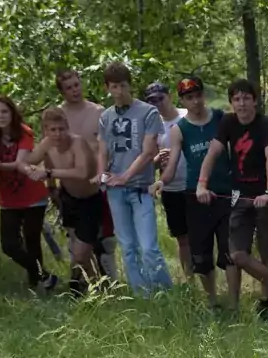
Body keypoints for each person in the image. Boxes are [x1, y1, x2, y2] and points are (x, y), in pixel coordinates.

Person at [206, 78, 268, 318]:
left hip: (264, 198)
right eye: (236, 99)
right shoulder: (227, 122)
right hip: (239, 196)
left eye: (246, 98)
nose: (242, 103)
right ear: (231, 103)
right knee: (237, 254)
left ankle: (265, 302)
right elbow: (213, 152)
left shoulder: (266, 125)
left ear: (255, 101)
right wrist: (201, 184)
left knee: (266, 251)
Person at [151, 76, 237, 308]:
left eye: (198, 95)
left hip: (225, 193)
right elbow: (173, 162)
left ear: (203, 95)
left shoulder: (221, 118)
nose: (196, 101)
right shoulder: (179, 130)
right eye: (190, 97)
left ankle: (233, 302)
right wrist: (161, 181)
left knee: (229, 250)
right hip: (195, 196)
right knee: (201, 251)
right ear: (183, 100)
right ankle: (212, 302)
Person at [96, 61, 173, 296]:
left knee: (149, 247)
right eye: (114, 86)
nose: (119, 91)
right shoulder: (106, 116)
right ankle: (143, 296)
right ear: (107, 88)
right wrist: (102, 176)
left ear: (129, 85)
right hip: (115, 192)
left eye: (123, 85)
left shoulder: (148, 112)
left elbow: (149, 152)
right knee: (128, 247)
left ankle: (165, 294)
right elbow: (102, 150)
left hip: (140, 188)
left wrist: (125, 176)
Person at [0, 96, 58, 291]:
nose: (0, 116)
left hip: (32, 194)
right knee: (9, 245)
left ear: (12, 112)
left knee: (32, 241)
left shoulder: (24, 132)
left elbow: (19, 163)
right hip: (9, 197)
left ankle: (38, 284)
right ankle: (44, 276)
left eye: (4, 111)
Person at [25, 108, 104, 285]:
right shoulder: (46, 144)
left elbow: (82, 172)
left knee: (80, 252)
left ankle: (91, 283)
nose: (58, 134)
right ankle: (88, 285)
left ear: (67, 127)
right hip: (68, 197)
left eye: (61, 129)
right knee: (78, 249)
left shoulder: (78, 143)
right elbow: (27, 161)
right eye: (53, 130)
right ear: (45, 131)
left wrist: (48, 173)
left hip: (90, 199)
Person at [56, 68, 118, 285]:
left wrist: (107, 172)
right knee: (76, 244)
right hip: (69, 188)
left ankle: (105, 282)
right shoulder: (58, 115)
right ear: (62, 91)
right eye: (69, 87)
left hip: (96, 187)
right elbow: (49, 148)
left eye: (76, 84)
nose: (75, 90)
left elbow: (109, 147)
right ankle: (90, 285)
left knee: (104, 241)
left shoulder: (98, 112)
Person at [145, 81, 191, 278]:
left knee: (201, 236)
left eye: (160, 98)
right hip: (171, 188)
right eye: (152, 101)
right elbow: (149, 163)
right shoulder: (152, 126)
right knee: (183, 239)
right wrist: (157, 159)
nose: (158, 104)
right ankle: (190, 280)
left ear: (169, 96)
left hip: (195, 184)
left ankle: (209, 277)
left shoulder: (186, 116)